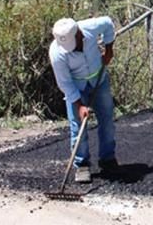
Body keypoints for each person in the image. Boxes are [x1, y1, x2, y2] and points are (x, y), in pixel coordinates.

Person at [49, 17, 117, 183]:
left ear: (79, 34)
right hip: (76, 87)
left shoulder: (90, 27)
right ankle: (82, 164)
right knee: (77, 125)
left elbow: (108, 24)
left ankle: (107, 160)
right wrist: (79, 105)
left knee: (107, 119)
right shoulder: (57, 53)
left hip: (99, 81)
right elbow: (65, 83)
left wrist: (109, 49)